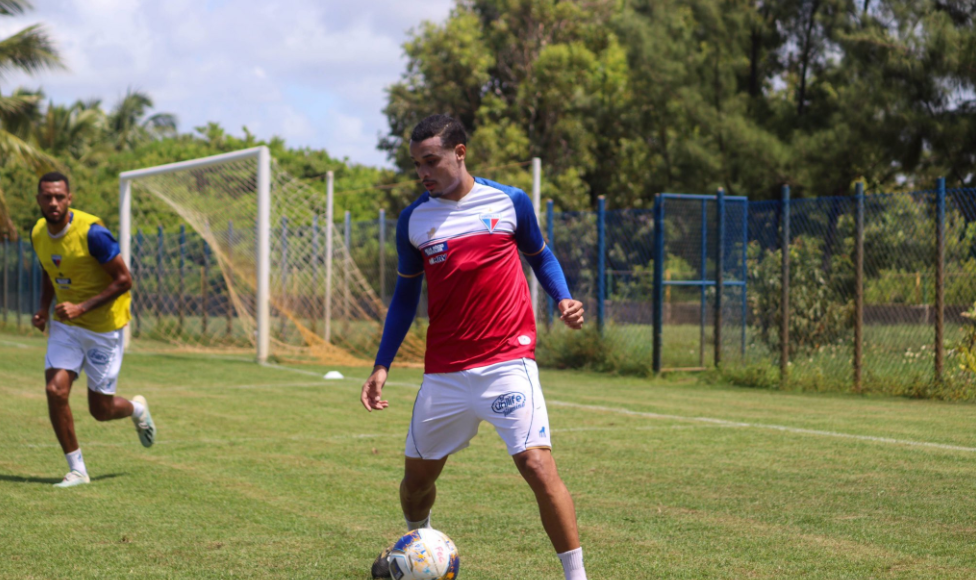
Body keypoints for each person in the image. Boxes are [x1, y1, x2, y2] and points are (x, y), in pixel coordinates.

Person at [361, 115, 588, 580]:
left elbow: (540, 255)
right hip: (445, 372)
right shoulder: (414, 220)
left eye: (431, 161)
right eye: (416, 164)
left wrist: (562, 297)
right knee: (416, 484)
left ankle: (576, 577)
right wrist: (381, 364)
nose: (423, 172)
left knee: (537, 465)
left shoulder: (509, 201)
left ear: (459, 153)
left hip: (508, 360)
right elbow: (405, 297)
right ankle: (419, 547)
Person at [30, 172, 156, 488]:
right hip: (66, 327)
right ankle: (77, 470)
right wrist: (43, 308)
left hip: (103, 328)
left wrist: (82, 307)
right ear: (39, 200)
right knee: (55, 390)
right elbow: (49, 269)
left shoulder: (94, 234)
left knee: (100, 410)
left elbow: (125, 280)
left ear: (69, 198)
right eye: (47, 196)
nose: (54, 202)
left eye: (59, 196)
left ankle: (137, 410)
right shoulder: (38, 232)